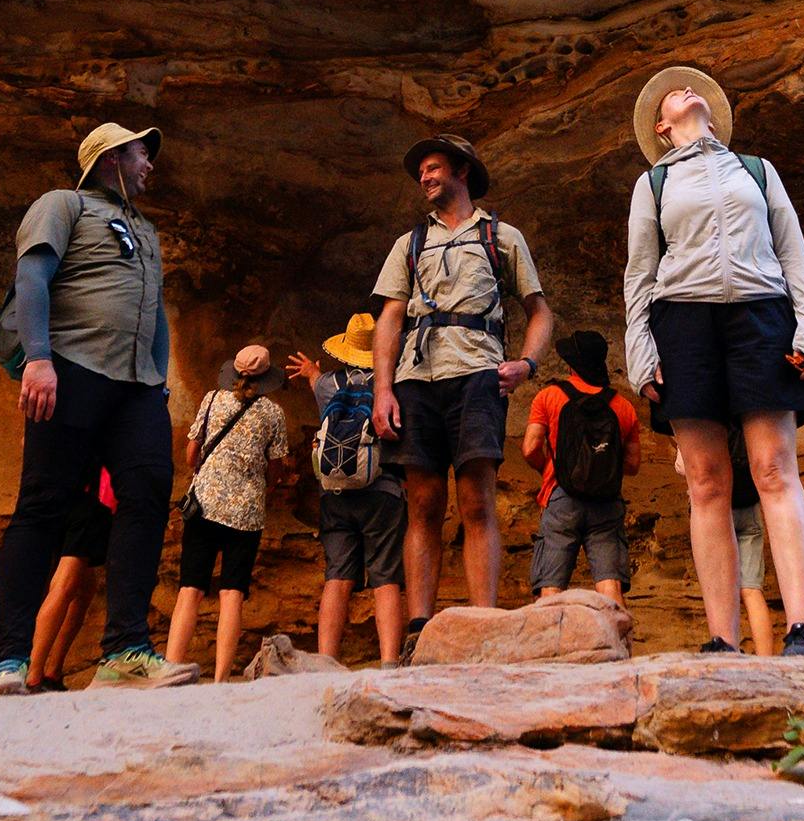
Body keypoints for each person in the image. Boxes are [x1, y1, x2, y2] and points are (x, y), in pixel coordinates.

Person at [622, 66, 804, 656]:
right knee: (708, 483)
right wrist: (641, 352)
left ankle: (802, 628)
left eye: (696, 89)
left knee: (773, 468)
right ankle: (721, 638)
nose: (688, 91)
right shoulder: (653, 184)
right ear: (663, 127)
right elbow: (639, 276)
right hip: (684, 322)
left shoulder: (756, 170)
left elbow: (794, 254)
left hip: (760, 315)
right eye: (673, 94)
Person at [0, 122, 193, 694]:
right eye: (140, 152)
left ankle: (125, 651)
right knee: (44, 504)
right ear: (109, 159)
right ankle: (7, 660)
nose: (150, 162)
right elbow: (33, 276)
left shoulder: (145, 230)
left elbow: (156, 312)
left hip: (137, 386)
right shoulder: (62, 204)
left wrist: (161, 382)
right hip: (70, 369)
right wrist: (38, 358)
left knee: (148, 492)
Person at [371, 133, 552, 624]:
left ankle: (483, 626)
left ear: (462, 170)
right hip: (416, 378)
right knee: (423, 505)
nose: (425, 178)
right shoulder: (410, 243)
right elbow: (390, 318)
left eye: (432, 168)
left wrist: (527, 365)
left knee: (477, 501)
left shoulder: (501, 236)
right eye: (422, 173)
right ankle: (418, 628)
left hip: (478, 374)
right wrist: (382, 389)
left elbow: (539, 312)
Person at [166, 344, 288, 683]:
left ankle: (172, 667)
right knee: (232, 592)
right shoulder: (273, 414)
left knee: (190, 587)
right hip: (246, 512)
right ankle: (221, 679)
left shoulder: (211, 399)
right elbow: (275, 469)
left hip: (204, 504)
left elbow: (192, 454)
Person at [288, 315, 406, 665]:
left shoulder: (328, 384)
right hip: (383, 490)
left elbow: (315, 382)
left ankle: (326, 661)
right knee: (386, 578)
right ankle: (388, 661)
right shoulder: (395, 384)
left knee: (337, 576)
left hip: (335, 493)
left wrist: (311, 371)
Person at [520, 329, 642, 606]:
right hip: (607, 502)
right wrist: (600, 468)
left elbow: (529, 448)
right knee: (610, 586)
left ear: (571, 364)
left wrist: (551, 469)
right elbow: (633, 465)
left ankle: (550, 649)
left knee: (551, 586)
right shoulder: (623, 407)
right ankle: (621, 648)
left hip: (561, 497)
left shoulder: (548, 397)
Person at [25, 471, 114, 691]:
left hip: (61, 494)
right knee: (65, 584)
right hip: (89, 498)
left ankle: (52, 671)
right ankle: (33, 675)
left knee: (84, 588)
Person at [728, 435, 779, 656]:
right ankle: (766, 660)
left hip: (716, 513)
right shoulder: (746, 423)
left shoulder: (709, 421)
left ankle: (725, 652)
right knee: (751, 590)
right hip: (750, 507)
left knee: (721, 592)